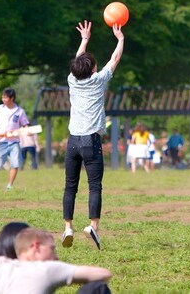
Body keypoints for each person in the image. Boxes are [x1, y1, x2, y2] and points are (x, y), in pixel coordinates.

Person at [61, 20, 124, 251]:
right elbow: (114, 59)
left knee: (70, 186)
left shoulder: (71, 80)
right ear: (93, 69)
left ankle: (67, 227)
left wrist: (84, 39)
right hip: (90, 140)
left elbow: (79, 62)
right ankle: (92, 227)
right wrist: (120, 39)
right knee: (94, 186)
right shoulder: (98, 81)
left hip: (73, 141)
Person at [0, 227, 113, 294]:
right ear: (36, 247)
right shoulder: (46, 269)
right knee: (96, 288)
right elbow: (104, 273)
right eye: (52, 249)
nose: (56, 256)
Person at [0, 88, 30, 191]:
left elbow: (25, 125)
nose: (3, 99)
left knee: (15, 164)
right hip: (0, 142)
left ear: (12, 98)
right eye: (2, 97)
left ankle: (9, 186)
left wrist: (28, 131)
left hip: (14, 142)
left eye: (5, 97)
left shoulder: (20, 111)